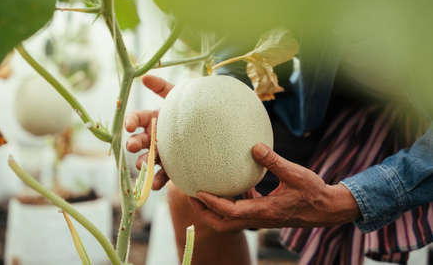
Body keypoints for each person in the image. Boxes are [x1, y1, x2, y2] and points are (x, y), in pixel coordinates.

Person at [125, 66, 433, 265]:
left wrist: (351, 198)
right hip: (336, 115)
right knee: (195, 198)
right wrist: (200, 110)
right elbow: (248, 55)